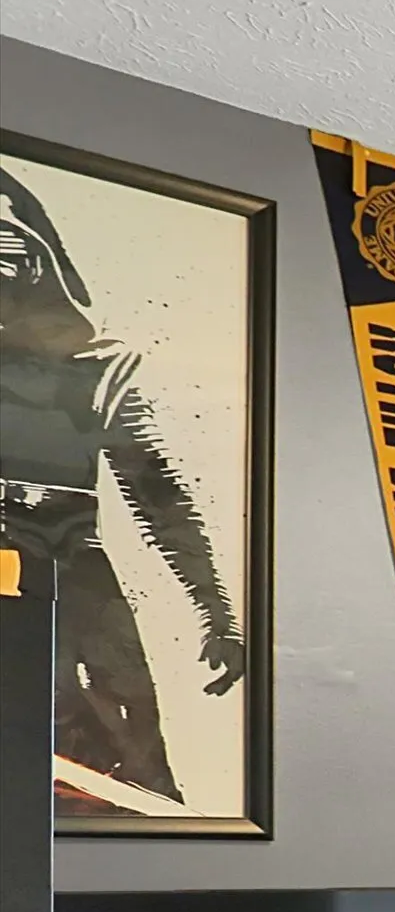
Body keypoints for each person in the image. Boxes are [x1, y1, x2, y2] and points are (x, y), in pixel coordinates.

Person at [0, 159, 244, 806]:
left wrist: (217, 614)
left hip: (77, 582)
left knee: (124, 763)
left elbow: (160, 496)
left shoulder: (96, 372)